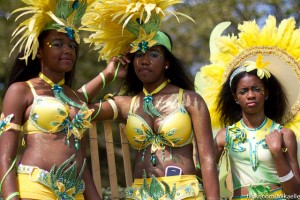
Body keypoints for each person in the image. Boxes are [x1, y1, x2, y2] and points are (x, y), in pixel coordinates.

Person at [81, 0, 220, 199]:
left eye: (153, 54)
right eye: (139, 54)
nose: (144, 60)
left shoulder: (190, 100)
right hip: (140, 193)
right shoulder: (125, 105)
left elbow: (207, 159)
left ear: (167, 63)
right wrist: (107, 75)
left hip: (184, 193)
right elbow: (72, 107)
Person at [0, 0, 127, 199]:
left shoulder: (73, 99)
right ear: (39, 50)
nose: (68, 50)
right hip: (35, 188)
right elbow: (5, 157)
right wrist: (11, 197)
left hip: (75, 191)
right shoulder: (22, 90)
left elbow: (81, 161)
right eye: (57, 44)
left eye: (72, 45)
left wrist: (108, 74)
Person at [195, 16, 300, 199]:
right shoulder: (224, 136)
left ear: (266, 92)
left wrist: (277, 154)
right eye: (243, 91)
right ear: (235, 97)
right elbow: (201, 174)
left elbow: (296, 192)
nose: (250, 95)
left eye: (256, 89)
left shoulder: (284, 135)